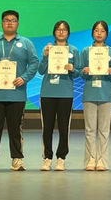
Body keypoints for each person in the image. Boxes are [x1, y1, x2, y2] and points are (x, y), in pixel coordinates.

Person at [0, 10, 39, 171]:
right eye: (6, 20)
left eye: (13, 20)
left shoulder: (26, 43)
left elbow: (34, 63)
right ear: (1, 23)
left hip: (17, 94)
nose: (9, 23)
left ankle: (17, 159)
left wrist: (24, 78)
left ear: (17, 23)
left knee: (15, 128)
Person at [38, 20, 81, 171]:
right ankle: (47, 158)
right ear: (54, 32)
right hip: (48, 92)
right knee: (47, 127)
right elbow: (41, 70)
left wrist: (72, 69)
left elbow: (78, 72)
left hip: (65, 93)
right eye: (58, 29)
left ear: (68, 33)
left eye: (64, 30)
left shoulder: (73, 50)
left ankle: (61, 158)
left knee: (64, 127)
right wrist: (45, 56)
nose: (61, 32)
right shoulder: (48, 49)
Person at [80, 20, 111, 171]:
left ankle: (102, 160)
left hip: (106, 93)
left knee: (104, 130)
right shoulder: (85, 51)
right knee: (89, 129)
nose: (99, 33)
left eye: (102, 31)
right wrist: (84, 71)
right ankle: (90, 160)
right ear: (92, 33)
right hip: (89, 93)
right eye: (96, 30)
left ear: (106, 34)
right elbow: (80, 72)